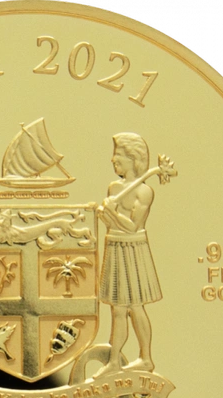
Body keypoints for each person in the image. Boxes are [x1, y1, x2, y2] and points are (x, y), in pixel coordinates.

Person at [97, 132, 162, 375]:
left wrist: (112, 213)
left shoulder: (145, 192)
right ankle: (114, 361)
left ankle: (146, 358)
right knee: (117, 309)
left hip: (133, 249)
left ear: (133, 159)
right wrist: (104, 214)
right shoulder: (114, 187)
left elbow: (133, 225)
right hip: (114, 246)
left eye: (118, 155)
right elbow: (110, 224)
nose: (113, 160)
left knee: (135, 306)